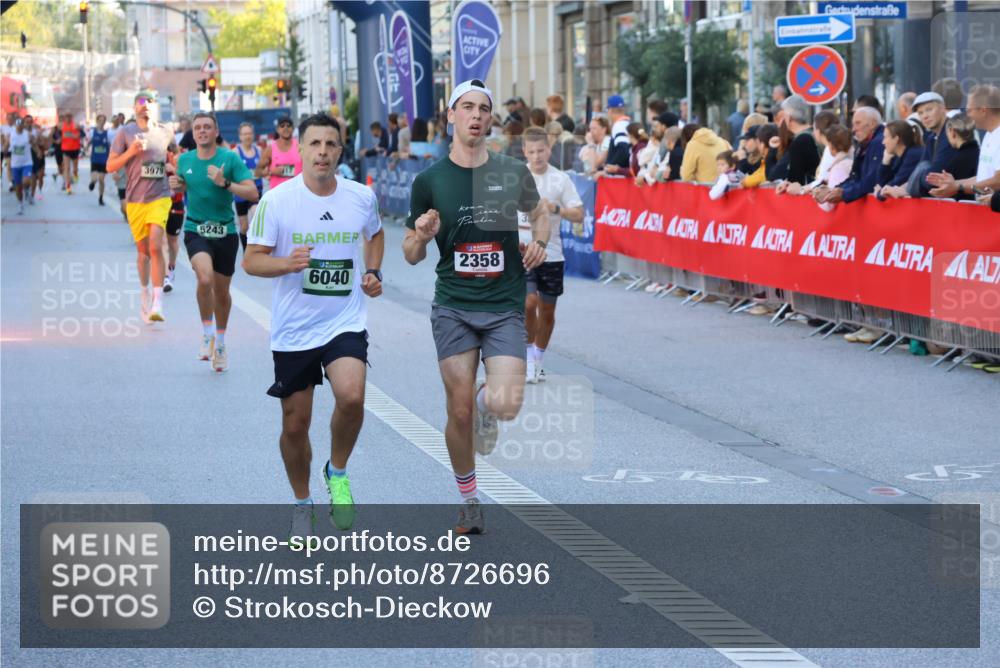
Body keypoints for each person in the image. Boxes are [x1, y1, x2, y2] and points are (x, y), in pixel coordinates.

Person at [403, 79, 547, 534]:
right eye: (467, 107)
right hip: (454, 305)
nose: (476, 116)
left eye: (484, 109)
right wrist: (421, 236)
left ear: (490, 119)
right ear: (451, 115)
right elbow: (410, 253)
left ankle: (488, 403)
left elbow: (540, 213)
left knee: (505, 405)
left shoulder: (511, 171)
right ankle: (469, 501)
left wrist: (540, 242)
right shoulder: (429, 181)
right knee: (458, 409)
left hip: (504, 303)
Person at [244, 113, 384, 536]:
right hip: (295, 328)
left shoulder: (360, 197)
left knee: (352, 397)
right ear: (300, 149)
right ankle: (302, 503)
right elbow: (251, 261)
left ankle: (337, 473)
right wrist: (287, 263)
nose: (323, 152)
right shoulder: (277, 201)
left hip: (344, 320)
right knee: (294, 424)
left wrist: (373, 271)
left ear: (340, 151)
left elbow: (375, 234)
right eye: (315, 144)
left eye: (330, 144)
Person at [169, 113, 259, 372]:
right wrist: (177, 185)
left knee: (221, 292)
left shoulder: (229, 158)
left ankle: (220, 342)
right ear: (193, 132)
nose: (202, 131)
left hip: (225, 232)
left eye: (207, 127)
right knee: (205, 278)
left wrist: (225, 183)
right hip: (196, 228)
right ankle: (207, 332)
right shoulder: (184, 159)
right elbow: (183, 186)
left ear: (216, 131)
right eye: (197, 127)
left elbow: (252, 192)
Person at [518, 127, 584, 383]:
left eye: (541, 151)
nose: (537, 156)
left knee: (547, 310)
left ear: (549, 150)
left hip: (552, 253)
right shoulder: (517, 177)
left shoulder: (560, 179)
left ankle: (538, 358)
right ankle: (527, 358)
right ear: (524, 152)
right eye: (532, 152)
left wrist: (556, 208)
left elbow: (579, 214)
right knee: (529, 303)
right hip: (524, 251)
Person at [106, 90, 175, 324]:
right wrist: (131, 152)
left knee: (156, 244)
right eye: (141, 102)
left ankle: (158, 303)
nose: (145, 105)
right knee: (143, 253)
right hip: (136, 200)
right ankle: (144, 291)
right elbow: (110, 166)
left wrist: (174, 167)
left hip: (160, 197)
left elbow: (175, 157)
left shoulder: (166, 131)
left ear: (155, 106)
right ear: (134, 107)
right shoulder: (125, 133)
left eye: (150, 101)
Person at [927, 84, 1000, 198]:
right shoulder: (989, 135)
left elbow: (997, 181)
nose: (967, 115)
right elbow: (983, 178)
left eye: (969, 110)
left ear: (983, 110)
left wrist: (959, 187)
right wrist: (954, 184)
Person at [815, 106, 884, 205]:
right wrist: (835, 189)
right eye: (853, 124)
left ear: (872, 123)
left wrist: (844, 193)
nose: (853, 129)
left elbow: (872, 180)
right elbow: (855, 177)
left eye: (858, 123)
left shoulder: (879, 142)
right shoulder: (863, 145)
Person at [909, 92, 957, 197]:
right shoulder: (931, 137)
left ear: (943, 108)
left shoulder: (952, 132)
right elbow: (921, 169)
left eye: (929, 110)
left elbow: (934, 178)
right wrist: (901, 189)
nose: (925, 116)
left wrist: (911, 184)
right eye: (920, 113)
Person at [873, 120, 925, 200]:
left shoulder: (913, 155)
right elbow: (880, 183)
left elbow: (896, 184)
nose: (883, 142)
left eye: (885, 137)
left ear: (896, 139)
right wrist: (885, 161)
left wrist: (879, 193)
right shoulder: (897, 157)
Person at [774, 95, 819, 186]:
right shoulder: (815, 134)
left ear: (788, 117)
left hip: (808, 192)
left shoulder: (800, 141)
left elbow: (795, 178)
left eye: (784, 115)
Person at [234, 121, 264, 250]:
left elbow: (263, 169)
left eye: (250, 133)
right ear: (240, 136)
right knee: (244, 227)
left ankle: (257, 249)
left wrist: (263, 172)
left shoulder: (259, 150)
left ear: (253, 135)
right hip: (241, 193)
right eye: (244, 134)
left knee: (257, 216)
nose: (247, 136)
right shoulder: (235, 152)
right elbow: (231, 172)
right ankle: (246, 251)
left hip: (256, 191)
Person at [256, 116, 302, 190]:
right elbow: (257, 172)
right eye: (282, 126)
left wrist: (286, 171)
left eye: (288, 126)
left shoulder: (300, 146)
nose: (285, 128)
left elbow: (308, 170)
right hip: (277, 193)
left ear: (293, 129)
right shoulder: (271, 149)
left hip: (298, 191)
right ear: (277, 129)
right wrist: (271, 171)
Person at [8, 116, 35, 214]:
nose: (19, 126)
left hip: (27, 163)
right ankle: (20, 204)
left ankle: (27, 190)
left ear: (23, 125)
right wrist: (5, 145)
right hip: (15, 164)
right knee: (18, 188)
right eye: (18, 125)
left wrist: (37, 149)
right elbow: (7, 147)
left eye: (21, 124)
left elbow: (33, 144)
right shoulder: (11, 135)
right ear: (15, 125)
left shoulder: (28, 134)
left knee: (26, 181)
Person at [602, 95, 632, 175]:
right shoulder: (625, 124)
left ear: (610, 110)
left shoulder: (619, 125)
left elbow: (623, 149)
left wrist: (611, 167)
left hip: (619, 176)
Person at [87, 114, 110, 205]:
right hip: (95, 159)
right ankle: (92, 183)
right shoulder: (92, 132)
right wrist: (86, 148)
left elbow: (111, 145)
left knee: (101, 179)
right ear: (97, 121)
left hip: (104, 160)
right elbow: (88, 142)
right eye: (100, 120)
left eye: (103, 121)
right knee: (94, 179)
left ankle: (101, 198)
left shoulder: (107, 133)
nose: (102, 122)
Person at [60, 112, 83, 194]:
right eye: (66, 116)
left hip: (75, 148)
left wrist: (68, 135)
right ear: (65, 117)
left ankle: (75, 175)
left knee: (75, 169)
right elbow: (57, 134)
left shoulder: (75, 125)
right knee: (67, 168)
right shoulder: (61, 125)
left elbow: (77, 136)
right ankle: (68, 188)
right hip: (65, 149)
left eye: (69, 116)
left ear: (72, 117)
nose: (68, 118)